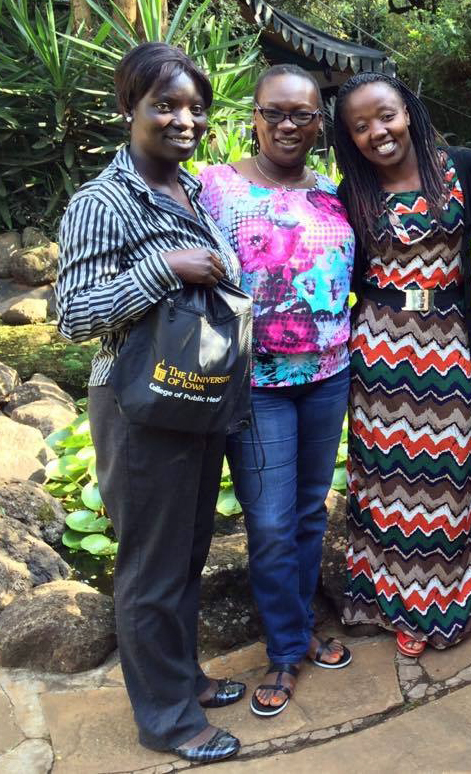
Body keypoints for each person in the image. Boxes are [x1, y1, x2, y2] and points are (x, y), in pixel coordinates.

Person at [56, 42, 244, 763]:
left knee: (185, 554)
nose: (183, 119)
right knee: (149, 567)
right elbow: (75, 316)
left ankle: (182, 679)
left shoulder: (188, 189)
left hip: (192, 397)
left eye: (195, 107)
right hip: (138, 408)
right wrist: (165, 267)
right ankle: (166, 721)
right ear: (129, 108)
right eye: (164, 104)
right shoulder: (102, 200)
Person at [197, 64, 355, 717]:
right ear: (255, 116)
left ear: (321, 123)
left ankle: (299, 627)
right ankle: (286, 651)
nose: (288, 125)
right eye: (275, 113)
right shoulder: (213, 187)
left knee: (311, 512)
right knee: (268, 522)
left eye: (303, 115)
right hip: (256, 382)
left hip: (329, 375)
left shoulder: (337, 192)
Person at [333, 72, 471, 657]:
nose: (378, 131)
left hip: (447, 341)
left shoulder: (463, 168)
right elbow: (349, 281)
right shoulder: (352, 193)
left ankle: (442, 604)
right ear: (349, 137)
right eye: (361, 126)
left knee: (447, 479)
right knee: (384, 481)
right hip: (378, 348)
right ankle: (392, 604)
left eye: (387, 116)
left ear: (409, 112)